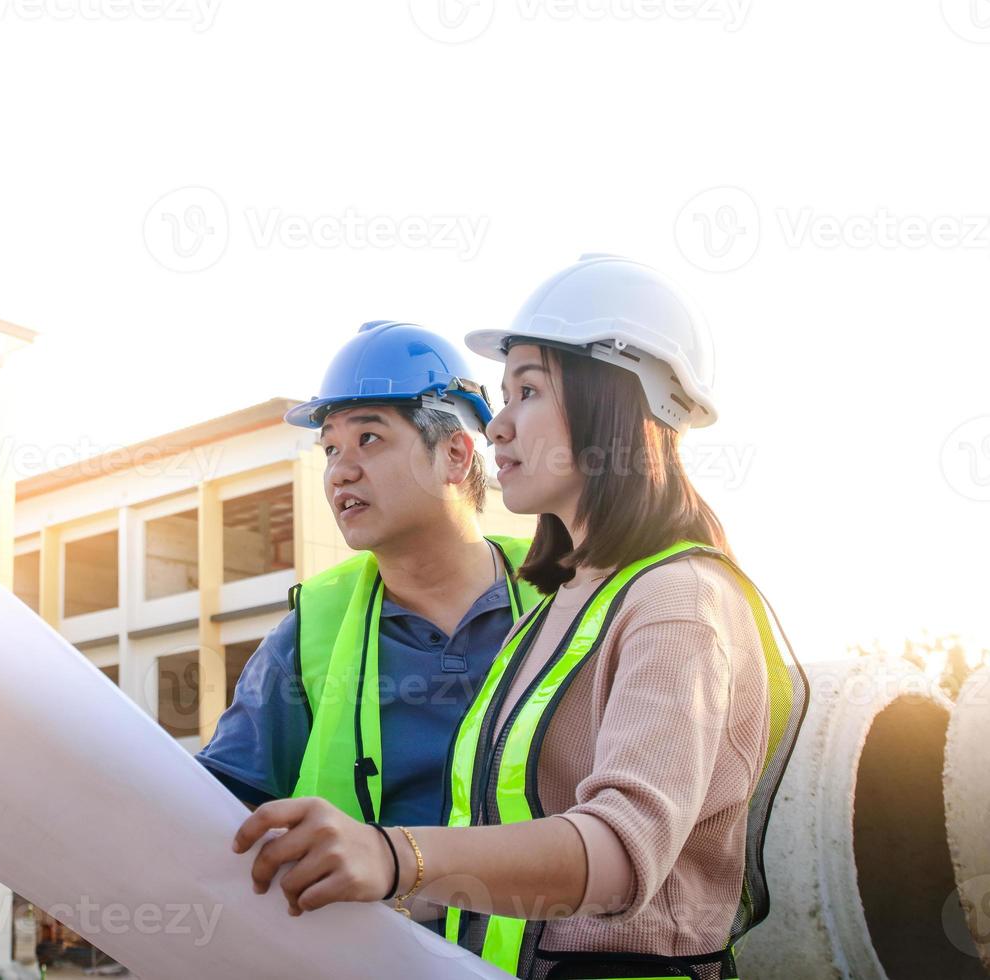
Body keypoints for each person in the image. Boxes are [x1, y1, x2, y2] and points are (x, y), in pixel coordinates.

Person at [230, 257, 809, 980]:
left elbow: (623, 852)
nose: (499, 426)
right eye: (331, 449)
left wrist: (389, 856)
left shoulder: (679, 601)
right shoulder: (562, 608)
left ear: (615, 405)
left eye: (527, 391)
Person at [196, 320, 540, 934]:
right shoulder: (311, 632)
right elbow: (212, 810)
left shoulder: (564, 595)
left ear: (455, 456)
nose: (339, 472)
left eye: (370, 439)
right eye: (330, 448)